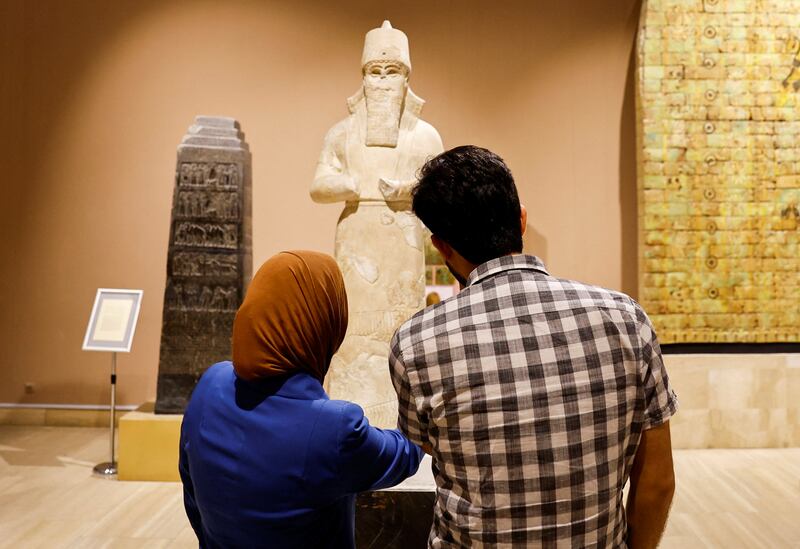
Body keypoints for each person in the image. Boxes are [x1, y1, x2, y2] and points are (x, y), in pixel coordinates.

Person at [389, 146, 678, 548]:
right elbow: (658, 480)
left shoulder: (417, 341)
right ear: (522, 219)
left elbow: (418, 448)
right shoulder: (626, 318)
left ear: (441, 247)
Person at [179, 251, 423, 549]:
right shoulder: (333, 427)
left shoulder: (210, 385)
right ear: (327, 322)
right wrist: (430, 398)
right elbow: (404, 455)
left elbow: (191, 492)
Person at [310, 20, 444, 428]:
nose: (383, 81)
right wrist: (349, 183)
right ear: (363, 77)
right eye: (375, 71)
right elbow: (318, 184)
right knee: (352, 336)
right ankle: (351, 411)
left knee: (400, 331)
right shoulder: (341, 134)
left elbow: (438, 185)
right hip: (356, 240)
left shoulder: (425, 135)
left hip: (403, 241)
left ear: (407, 77)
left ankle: (402, 416)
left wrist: (408, 188)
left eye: (393, 71)